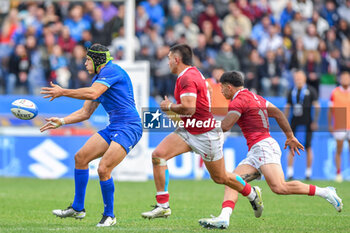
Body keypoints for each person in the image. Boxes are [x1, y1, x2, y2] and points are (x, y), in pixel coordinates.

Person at [198, 71, 343, 229]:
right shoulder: (256, 97)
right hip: (257, 149)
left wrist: (201, 124)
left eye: (222, 87)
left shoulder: (238, 101)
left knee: (279, 187)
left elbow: (225, 126)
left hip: (263, 147)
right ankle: (224, 217)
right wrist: (290, 136)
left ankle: (326, 192)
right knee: (232, 181)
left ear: (229, 87)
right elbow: (278, 113)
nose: (221, 91)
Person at [141, 44, 263, 219]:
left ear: (177, 59)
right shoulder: (192, 73)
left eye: (169, 58)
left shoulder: (187, 78)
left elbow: (189, 108)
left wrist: (169, 106)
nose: (167, 62)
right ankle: (163, 205)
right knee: (158, 155)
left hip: (205, 134)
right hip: (189, 129)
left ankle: (252, 193)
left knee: (220, 177)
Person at [39, 44, 142, 227]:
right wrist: (61, 122)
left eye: (88, 59)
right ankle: (78, 208)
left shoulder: (111, 71)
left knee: (103, 169)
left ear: (98, 60)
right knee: (81, 157)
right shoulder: (99, 79)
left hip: (129, 126)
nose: (85, 63)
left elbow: (93, 92)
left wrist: (63, 91)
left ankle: (109, 215)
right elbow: (85, 113)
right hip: (115, 126)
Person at [284, 70, 320, 180]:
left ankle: (308, 173)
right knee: (291, 147)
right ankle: (289, 173)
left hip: (307, 123)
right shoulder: (291, 91)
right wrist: (285, 124)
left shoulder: (311, 90)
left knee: (308, 147)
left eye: (300, 77)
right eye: (297, 78)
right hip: (294, 123)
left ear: (304, 78)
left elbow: (317, 106)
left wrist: (315, 121)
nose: (298, 79)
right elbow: (287, 108)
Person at [328, 71, 350, 182]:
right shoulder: (335, 92)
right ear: (340, 79)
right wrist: (330, 124)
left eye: (347, 78)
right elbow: (330, 110)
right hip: (340, 123)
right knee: (339, 150)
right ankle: (338, 173)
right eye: (344, 78)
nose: (345, 80)